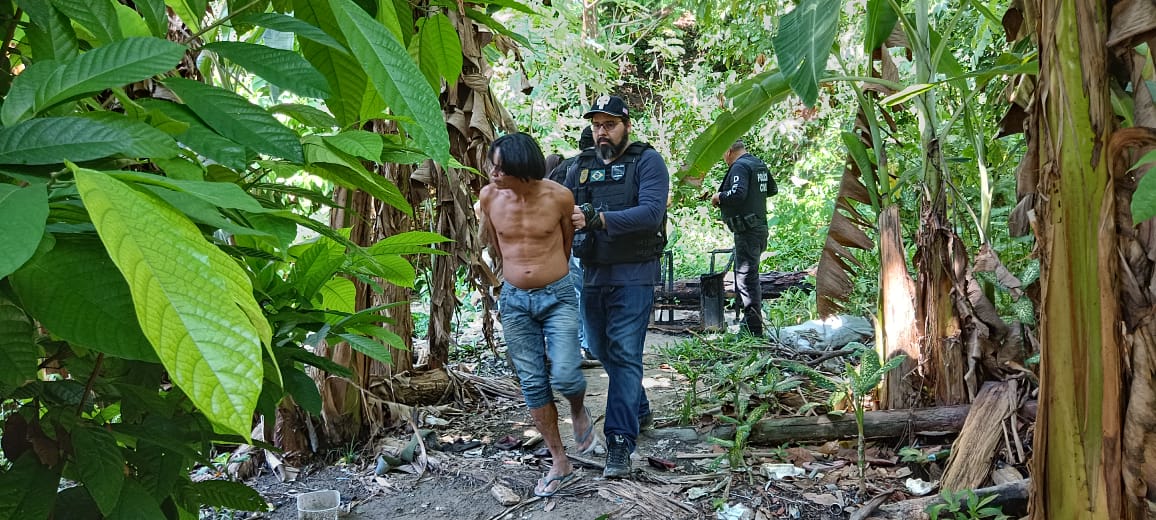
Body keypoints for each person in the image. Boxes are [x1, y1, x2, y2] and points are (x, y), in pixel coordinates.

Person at [477, 132, 596, 497]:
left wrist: (548, 276)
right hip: (514, 301)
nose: (493, 174)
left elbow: (565, 242)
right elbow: (495, 243)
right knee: (532, 383)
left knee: (565, 373)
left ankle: (577, 407)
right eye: (492, 167)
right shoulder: (489, 197)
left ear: (522, 170)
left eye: (500, 169)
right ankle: (560, 461)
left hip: (557, 296)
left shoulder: (559, 197)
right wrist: (512, 279)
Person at [565, 95, 669, 478]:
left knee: (625, 355)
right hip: (594, 273)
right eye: (596, 125)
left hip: (634, 272)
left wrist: (599, 219)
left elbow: (651, 213)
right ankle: (638, 406)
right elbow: (553, 199)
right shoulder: (580, 166)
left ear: (626, 125)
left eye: (609, 124)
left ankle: (620, 443)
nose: (601, 132)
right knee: (597, 346)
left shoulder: (647, 161)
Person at [711, 139, 775, 337]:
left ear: (729, 150)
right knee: (748, 277)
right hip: (759, 227)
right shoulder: (758, 164)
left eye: (723, 154)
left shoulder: (739, 166)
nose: (724, 159)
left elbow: (738, 194)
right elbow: (772, 189)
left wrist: (719, 197)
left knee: (746, 279)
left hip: (747, 230)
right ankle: (752, 324)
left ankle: (753, 328)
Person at [550, 127, 598, 364]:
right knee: (586, 293)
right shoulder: (601, 165)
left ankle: (577, 346)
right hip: (593, 240)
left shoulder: (563, 167)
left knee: (574, 294)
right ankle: (589, 346)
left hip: (564, 241)